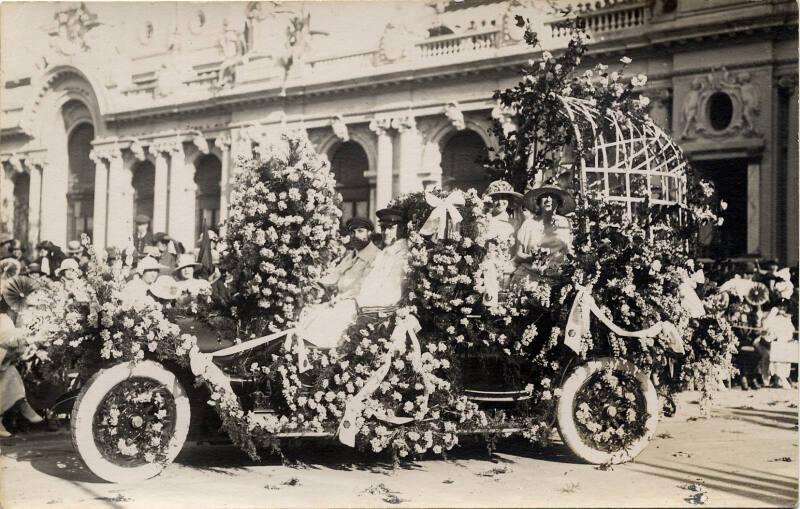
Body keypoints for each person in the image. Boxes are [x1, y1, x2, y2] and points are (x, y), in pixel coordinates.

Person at [297, 208, 410, 349]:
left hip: (371, 309)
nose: (386, 233)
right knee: (310, 314)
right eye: (383, 228)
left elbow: (390, 292)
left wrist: (357, 302)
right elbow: (338, 277)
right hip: (357, 303)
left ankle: (319, 356)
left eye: (391, 228)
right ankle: (307, 352)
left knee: (326, 320)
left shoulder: (398, 255)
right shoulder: (384, 253)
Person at [511, 185, 575, 288]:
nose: (548, 199)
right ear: (539, 201)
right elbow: (518, 255)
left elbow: (570, 252)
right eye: (545, 196)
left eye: (552, 197)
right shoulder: (529, 223)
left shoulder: (566, 223)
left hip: (556, 276)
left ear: (558, 202)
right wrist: (535, 258)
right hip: (529, 276)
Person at [0, 296, 43, 437]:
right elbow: (8, 341)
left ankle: (22, 406)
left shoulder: (10, 319)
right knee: (10, 373)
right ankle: (23, 406)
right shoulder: (3, 319)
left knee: (9, 374)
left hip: (5, 362)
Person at [318, 217, 380, 299]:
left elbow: (364, 289)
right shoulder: (350, 256)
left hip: (356, 304)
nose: (355, 235)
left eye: (360, 231)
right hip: (339, 301)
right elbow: (333, 276)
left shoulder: (376, 257)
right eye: (352, 232)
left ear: (369, 233)